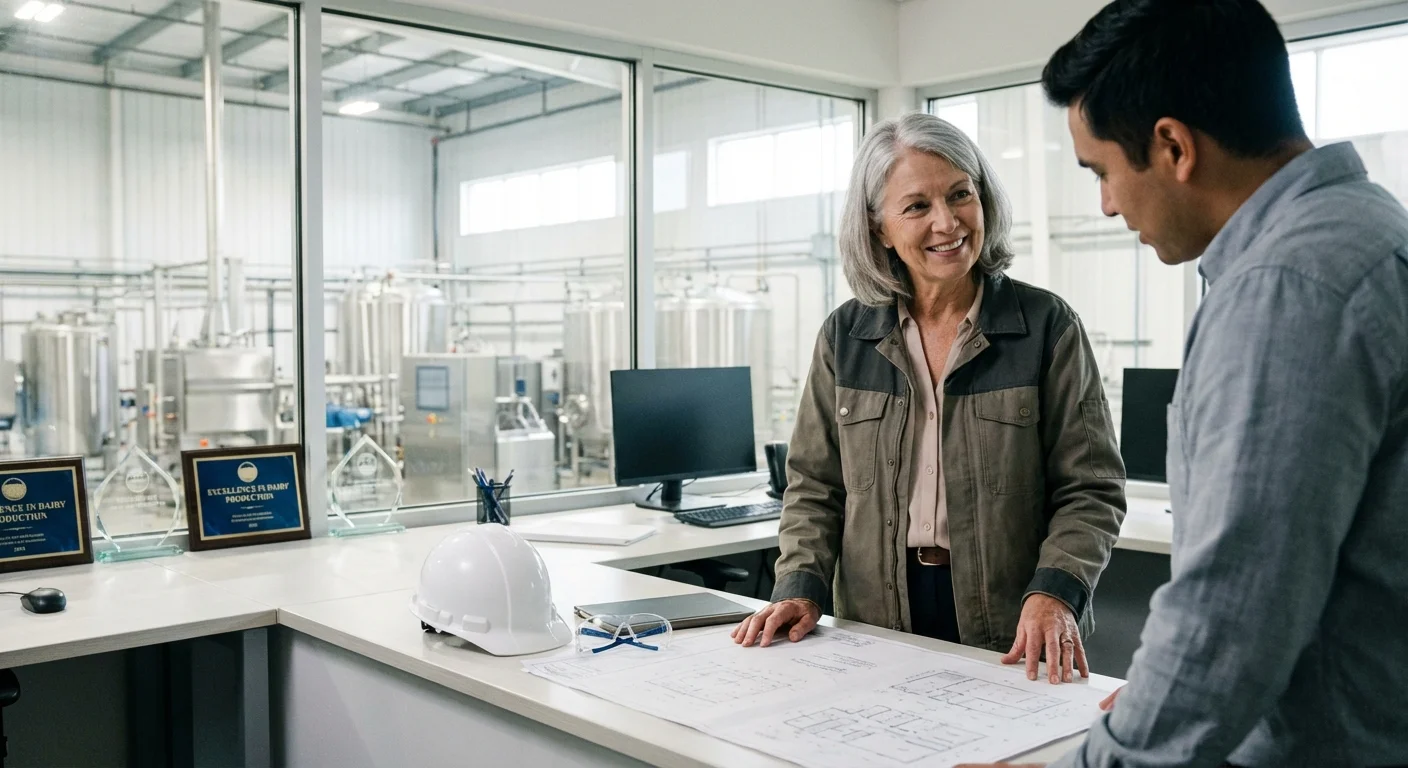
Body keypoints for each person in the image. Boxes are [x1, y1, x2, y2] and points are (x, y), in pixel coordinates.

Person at [961, 1, 1408, 766]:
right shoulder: (1366, 231)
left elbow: (1233, 611)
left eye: (1102, 170)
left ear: (1173, 146)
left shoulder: (1289, 287)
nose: (1105, 203)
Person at [731, 112, 1127, 685]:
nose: (948, 222)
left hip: (1014, 622)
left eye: (961, 194)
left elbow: (1090, 489)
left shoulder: (1046, 327)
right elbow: (815, 488)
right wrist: (799, 588)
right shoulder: (846, 337)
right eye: (917, 206)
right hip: (876, 618)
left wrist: (1056, 594)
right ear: (879, 229)